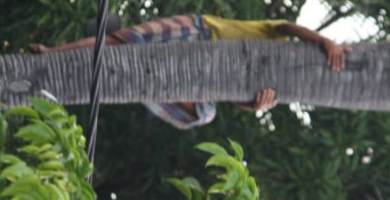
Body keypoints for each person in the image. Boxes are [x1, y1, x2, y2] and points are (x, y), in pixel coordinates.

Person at [31, 14, 351, 129]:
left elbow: (233, 99)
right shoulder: (277, 39)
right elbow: (288, 25)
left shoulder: (282, 85)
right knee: (126, 41)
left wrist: (253, 107)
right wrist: (324, 41)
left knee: (202, 116)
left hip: (197, 80)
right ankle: (53, 53)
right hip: (200, 32)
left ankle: (149, 83)